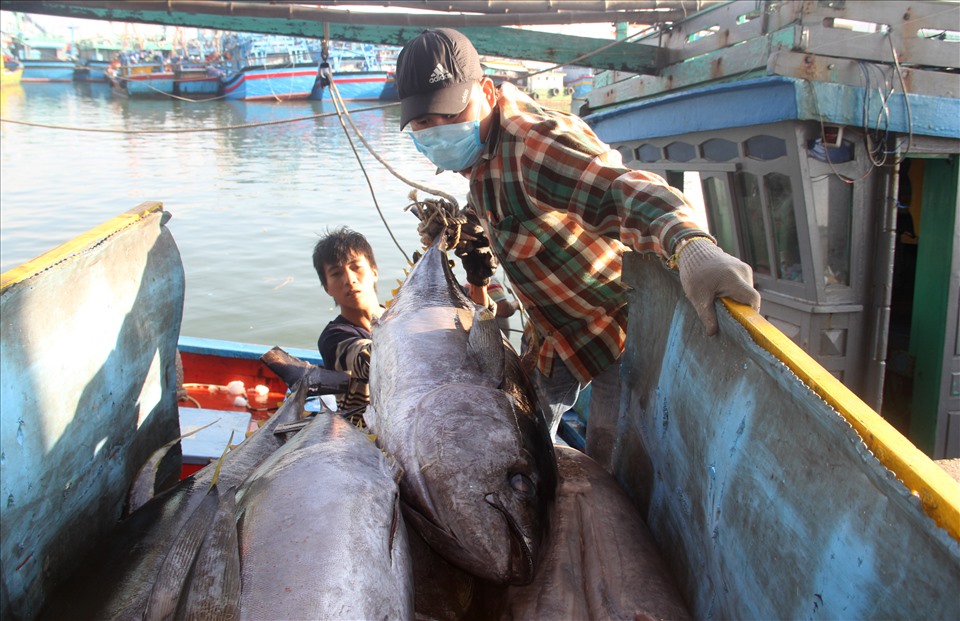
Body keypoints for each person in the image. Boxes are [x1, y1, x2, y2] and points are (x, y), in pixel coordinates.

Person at [395, 28, 761, 471]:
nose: (440, 133)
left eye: (451, 116)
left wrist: (690, 243)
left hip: (611, 333)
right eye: (424, 124)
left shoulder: (534, 145)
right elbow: (505, 214)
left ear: (487, 92)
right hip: (554, 332)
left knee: (609, 461)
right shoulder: (479, 152)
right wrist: (470, 240)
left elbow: (623, 189)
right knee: (521, 439)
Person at [313, 227, 383, 427]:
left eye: (356, 267)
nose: (349, 279)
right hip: (365, 440)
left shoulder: (400, 318)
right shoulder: (333, 338)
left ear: (374, 272)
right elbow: (371, 362)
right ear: (327, 288)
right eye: (336, 273)